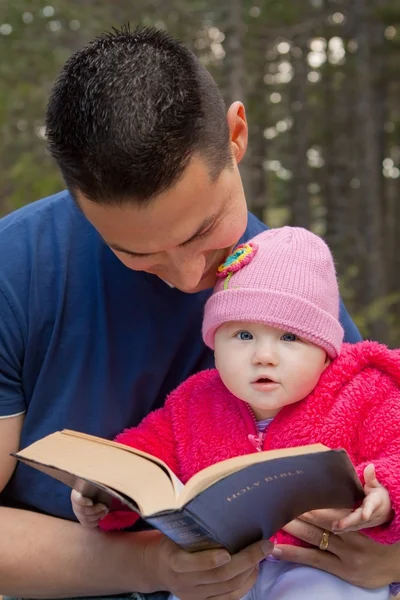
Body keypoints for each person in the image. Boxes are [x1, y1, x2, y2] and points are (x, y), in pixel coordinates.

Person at [0, 24, 399, 600]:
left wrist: (384, 562)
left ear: (237, 135)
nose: (193, 279)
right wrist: (154, 564)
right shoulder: (16, 270)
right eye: (135, 253)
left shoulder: (290, 287)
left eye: (206, 232)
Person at [71, 227, 400, 599]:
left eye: (289, 337)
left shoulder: (363, 393)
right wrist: (107, 491)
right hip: (223, 571)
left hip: (322, 565)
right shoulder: (193, 401)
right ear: (215, 344)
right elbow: (143, 454)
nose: (263, 355)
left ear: (326, 351)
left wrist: (387, 495)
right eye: (243, 335)